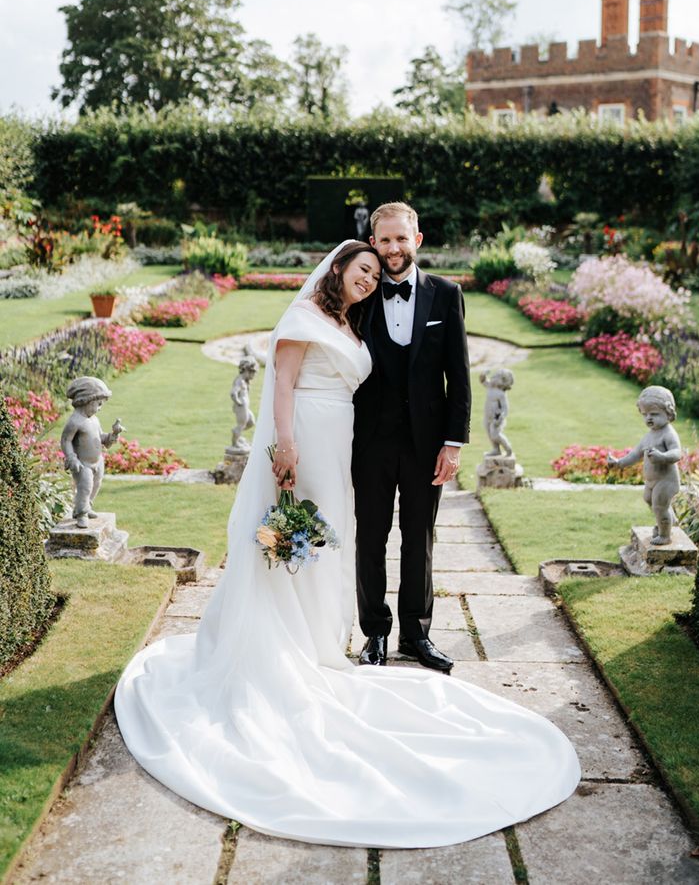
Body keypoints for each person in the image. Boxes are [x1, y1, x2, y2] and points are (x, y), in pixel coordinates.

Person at [115, 238, 580, 849]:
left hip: (341, 447)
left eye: (373, 271)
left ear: (409, 245)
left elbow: (437, 371)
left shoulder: (349, 317)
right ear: (340, 267)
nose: (368, 277)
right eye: (361, 268)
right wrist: (285, 444)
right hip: (304, 438)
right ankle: (278, 643)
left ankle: (315, 639)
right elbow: (282, 385)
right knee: (290, 543)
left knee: (326, 544)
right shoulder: (305, 316)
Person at [352, 202, 470, 672]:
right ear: (373, 244)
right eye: (385, 240)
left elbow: (459, 377)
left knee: (419, 537)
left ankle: (417, 635)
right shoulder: (358, 294)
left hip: (427, 444)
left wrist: (454, 443)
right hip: (371, 441)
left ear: (416, 240)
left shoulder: (446, 294)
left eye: (402, 238)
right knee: (371, 537)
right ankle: (374, 634)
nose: (394, 248)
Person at [607, 385, 681, 544]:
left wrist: (662, 456)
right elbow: (635, 454)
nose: (649, 418)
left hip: (666, 480)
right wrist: (618, 463)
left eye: (654, 414)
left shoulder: (668, 434)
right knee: (649, 499)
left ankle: (665, 535)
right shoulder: (649, 436)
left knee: (659, 506)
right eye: (645, 414)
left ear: (668, 414)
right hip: (652, 481)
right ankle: (669, 521)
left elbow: (677, 453)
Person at [60, 376, 124, 528]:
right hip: (83, 464)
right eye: (98, 404)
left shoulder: (94, 419)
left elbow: (101, 437)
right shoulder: (75, 421)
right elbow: (65, 440)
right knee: (85, 486)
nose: (100, 408)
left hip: (97, 461)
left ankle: (86, 506)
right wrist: (71, 457)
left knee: (96, 485)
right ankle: (81, 513)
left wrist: (113, 434)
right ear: (86, 401)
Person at [480, 367, 514, 457]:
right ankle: (496, 449)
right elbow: (483, 381)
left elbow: (505, 408)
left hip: (496, 418)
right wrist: (483, 374)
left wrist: (501, 417)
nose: (493, 378)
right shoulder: (490, 387)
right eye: (494, 376)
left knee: (495, 435)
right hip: (487, 417)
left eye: (496, 377)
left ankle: (508, 448)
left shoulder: (501, 394)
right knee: (489, 434)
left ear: (503, 382)